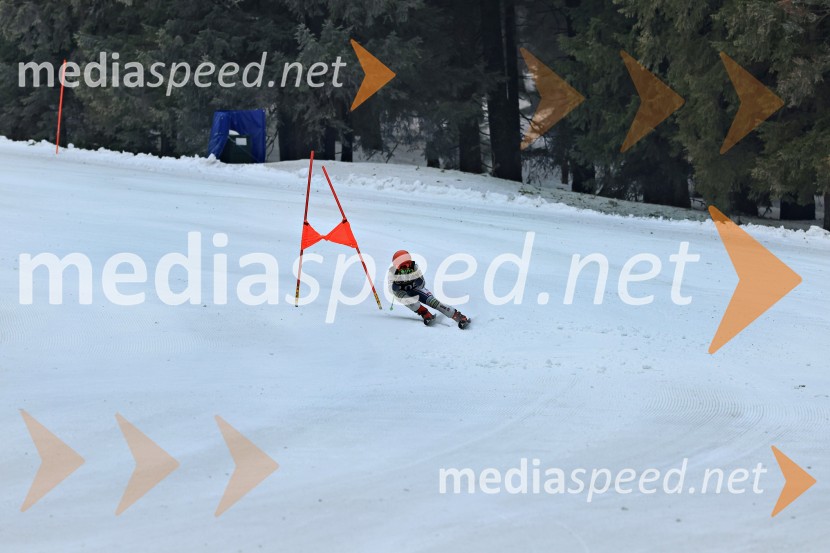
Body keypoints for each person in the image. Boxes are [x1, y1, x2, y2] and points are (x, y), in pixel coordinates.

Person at [388, 249, 470, 328]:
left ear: (410, 262)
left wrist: (415, 279)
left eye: (407, 265)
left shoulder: (415, 268)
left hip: (415, 289)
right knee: (411, 302)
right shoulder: (392, 272)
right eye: (402, 267)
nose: (405, 269)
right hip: (402, 293)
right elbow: (391, 289)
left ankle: (458, 316)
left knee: (433, 302)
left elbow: (422, 284)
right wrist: (396, 284)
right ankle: (424, 313)